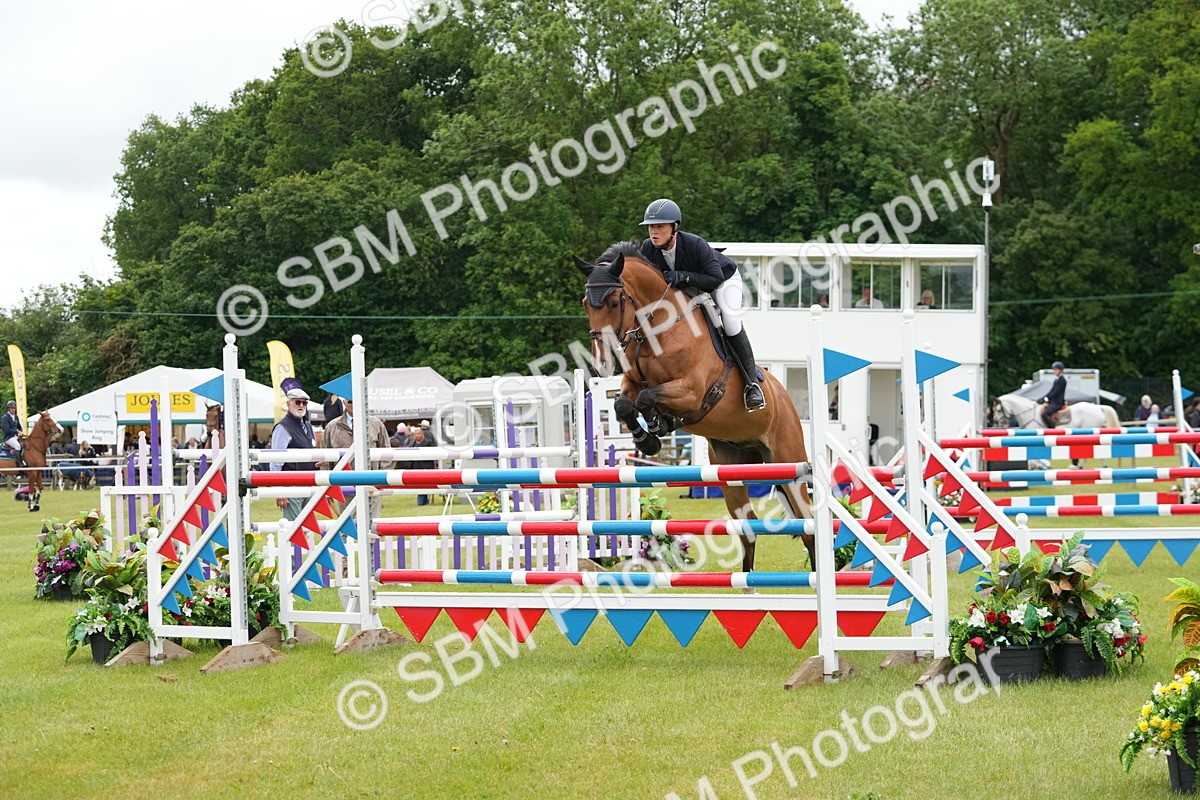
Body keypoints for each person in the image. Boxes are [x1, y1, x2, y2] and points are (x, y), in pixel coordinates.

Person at [637, 198, 766, 412]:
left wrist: (683, 276)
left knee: (731, 322)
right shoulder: (648, 248)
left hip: (722, 281)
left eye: (660, 226)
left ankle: (752, 384)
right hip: (689, 289)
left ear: (674, 227)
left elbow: (713, 279)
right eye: (651, 227)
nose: (654, 232)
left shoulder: (695, 244)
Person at [322, 396, 393, 519]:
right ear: (343, 402)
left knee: (373, 525)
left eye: (356, 400)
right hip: (344, 483)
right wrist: (326, 485)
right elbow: (325, 458)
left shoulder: (376, 424)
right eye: (350, 401)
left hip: (372, 482)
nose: (353, 404)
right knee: (346, 526)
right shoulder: (331, 427)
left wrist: (382, 477)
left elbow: (386, 452)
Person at [269, 379, 318, 521]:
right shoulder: (282, 427)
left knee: (307, 527)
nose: (301, 405)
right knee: (294, 529)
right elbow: (275, 463)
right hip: (292, 485)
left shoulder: (308, 426)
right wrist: (280, 491)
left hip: (309, 484)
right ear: (288, 403)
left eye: (304, 403)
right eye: (298, 402)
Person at [1040, 361, 1068, 427]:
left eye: (1055, 370)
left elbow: (1056, 392)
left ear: (1060, 370)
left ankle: (1052, 428)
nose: (1054, 371)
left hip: (1058, 402)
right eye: (1054, 370)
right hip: (1053, 401)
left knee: (1045, 414)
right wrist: (1044, 397)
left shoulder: (1062, 380)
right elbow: (1051, 391)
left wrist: (1047, 398)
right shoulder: (1057, 380)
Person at [2, 400, 23, 467]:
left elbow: (19, 427)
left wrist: (21, 432)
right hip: (8, 437)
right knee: (18, 446)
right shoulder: (5, 418)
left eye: (14, 408)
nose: (13, 409)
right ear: (8, 409)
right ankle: (19, 464)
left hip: (16, 436)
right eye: (12, 408)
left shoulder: (16, 416)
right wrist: (17, 432)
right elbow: (7, 430)